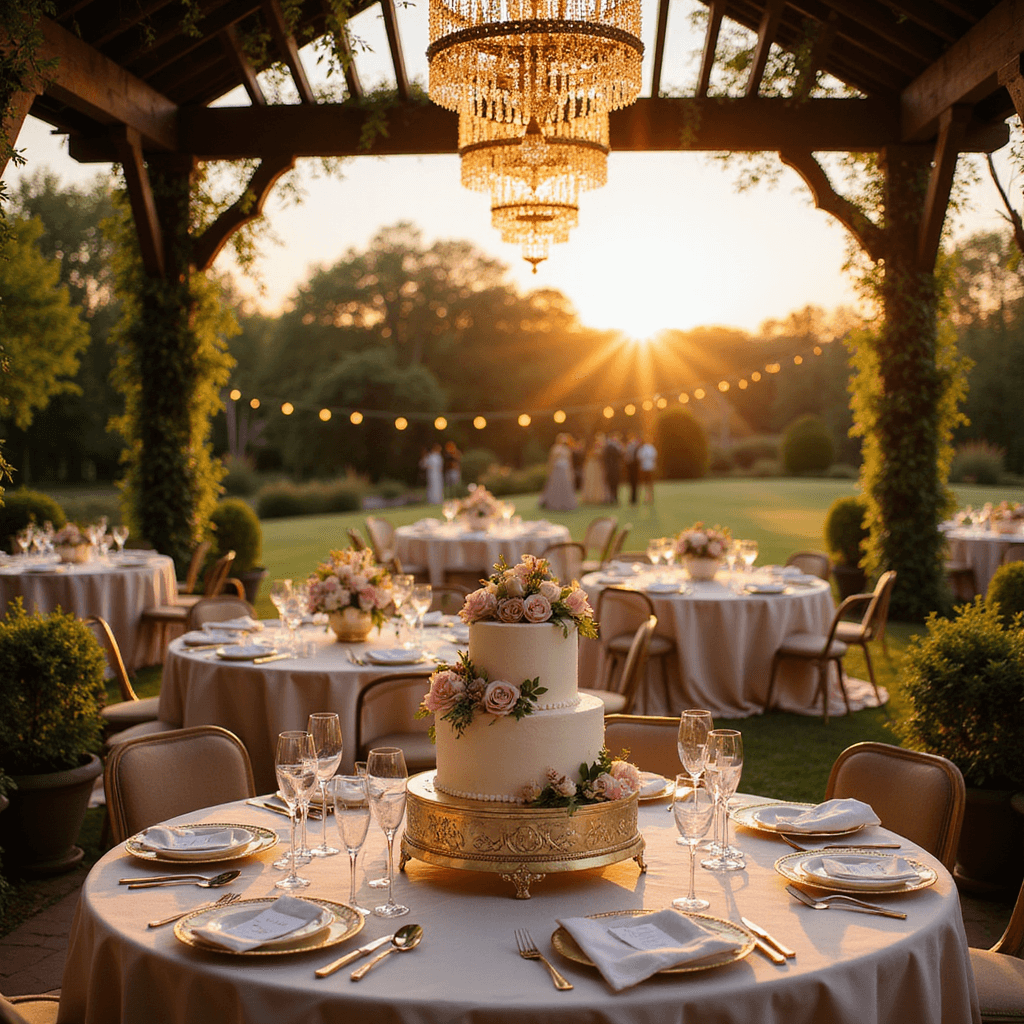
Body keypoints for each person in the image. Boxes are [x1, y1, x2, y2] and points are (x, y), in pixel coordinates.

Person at [539, 434, 577, 511]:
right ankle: (554, 504)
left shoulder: (567, 449)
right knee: (556, 486)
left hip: (565, 469)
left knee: (565, 486)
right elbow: (551, 460)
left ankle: (566, 504)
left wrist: (571, 471)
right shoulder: (555, 448)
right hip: (557, 469)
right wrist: (550, 469)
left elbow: (570, 461)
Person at [581, 434, 611, 504]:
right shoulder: (592, 451)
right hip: (593, 467)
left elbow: (602, 458)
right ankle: (591, 496)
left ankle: (598, 496)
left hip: (598, 466)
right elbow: (588, 457)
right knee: (592, 480)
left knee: (599, 481)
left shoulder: (602, 450)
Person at [603, 432, 624, 504]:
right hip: (613, 468)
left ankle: (613, 497)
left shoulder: (609, 447)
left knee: (614, 483)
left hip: (613, 468)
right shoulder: (610, 447)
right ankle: (613, 497)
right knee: (612, 483)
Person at [636, 437, 657, 504]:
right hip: (645, 468)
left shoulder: (651, 448)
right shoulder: (643, 448)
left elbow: (654, 457)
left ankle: (651, 497)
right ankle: (647, 497)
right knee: (646, 484)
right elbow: (639, 457)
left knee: (650, 484)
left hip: (649, 468)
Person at [624, 434, 640, 505]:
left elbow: (627, 457)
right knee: (633, 483)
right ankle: (633, 498)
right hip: (633, 465)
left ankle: (633, 498)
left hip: (632, 465)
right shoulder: (635, 445)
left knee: (633, 483)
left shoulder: (630, 445)